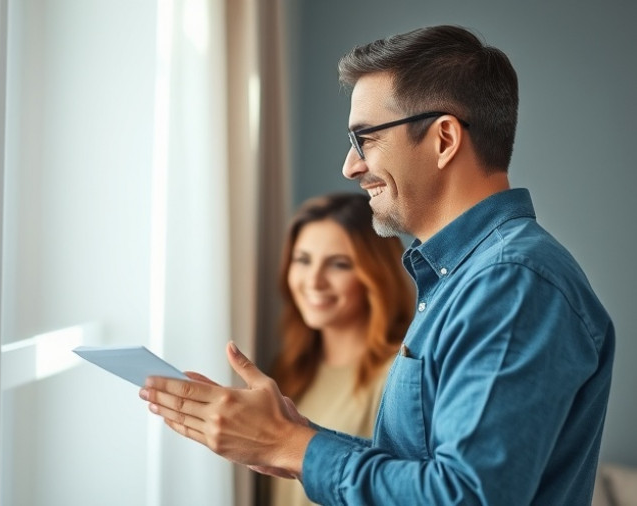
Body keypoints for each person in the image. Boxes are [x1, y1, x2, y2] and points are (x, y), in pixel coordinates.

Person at [138, 24, 615, 505]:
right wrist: (291, 439)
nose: (350, 165)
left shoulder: (512, 282)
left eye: (365, 138)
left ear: (444, 139)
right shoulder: (467, 278)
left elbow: (466, 497)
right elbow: (426, 468)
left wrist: (294, 447)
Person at [268, 192, 414, 506]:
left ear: (375, 276)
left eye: (338, 264)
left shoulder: (398, 378)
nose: (314, 281)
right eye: (303, 260)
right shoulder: (287, 370)